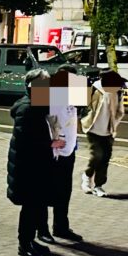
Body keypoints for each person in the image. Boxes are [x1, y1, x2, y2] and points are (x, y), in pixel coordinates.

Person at [8, 69, 57, 256]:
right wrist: (51, 143)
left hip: (37, 166)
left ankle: (31, 240)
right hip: (28, 168)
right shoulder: (27, 109)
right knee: (30, 208)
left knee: (36, 207)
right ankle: (24, 244)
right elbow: (26, 141)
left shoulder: (38, 105)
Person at [46, 68, 85, 243]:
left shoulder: (71, 97)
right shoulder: (48, 95)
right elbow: (46, 120)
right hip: (54, 153)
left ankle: (61, 226)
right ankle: (42, 229)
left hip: (69, 151)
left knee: (64, 191)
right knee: (46, 192)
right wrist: (52, 141)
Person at [83, 70, 126, 198]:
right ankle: (87, 176)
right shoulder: (93, 89)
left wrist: (114, 124)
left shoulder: (117, 92)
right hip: (93, 129)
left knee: (105, 158)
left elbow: (120, 111)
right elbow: (82, 106)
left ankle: (98, 185)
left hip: (108, 131)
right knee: (97, 156)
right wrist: (84, 119)